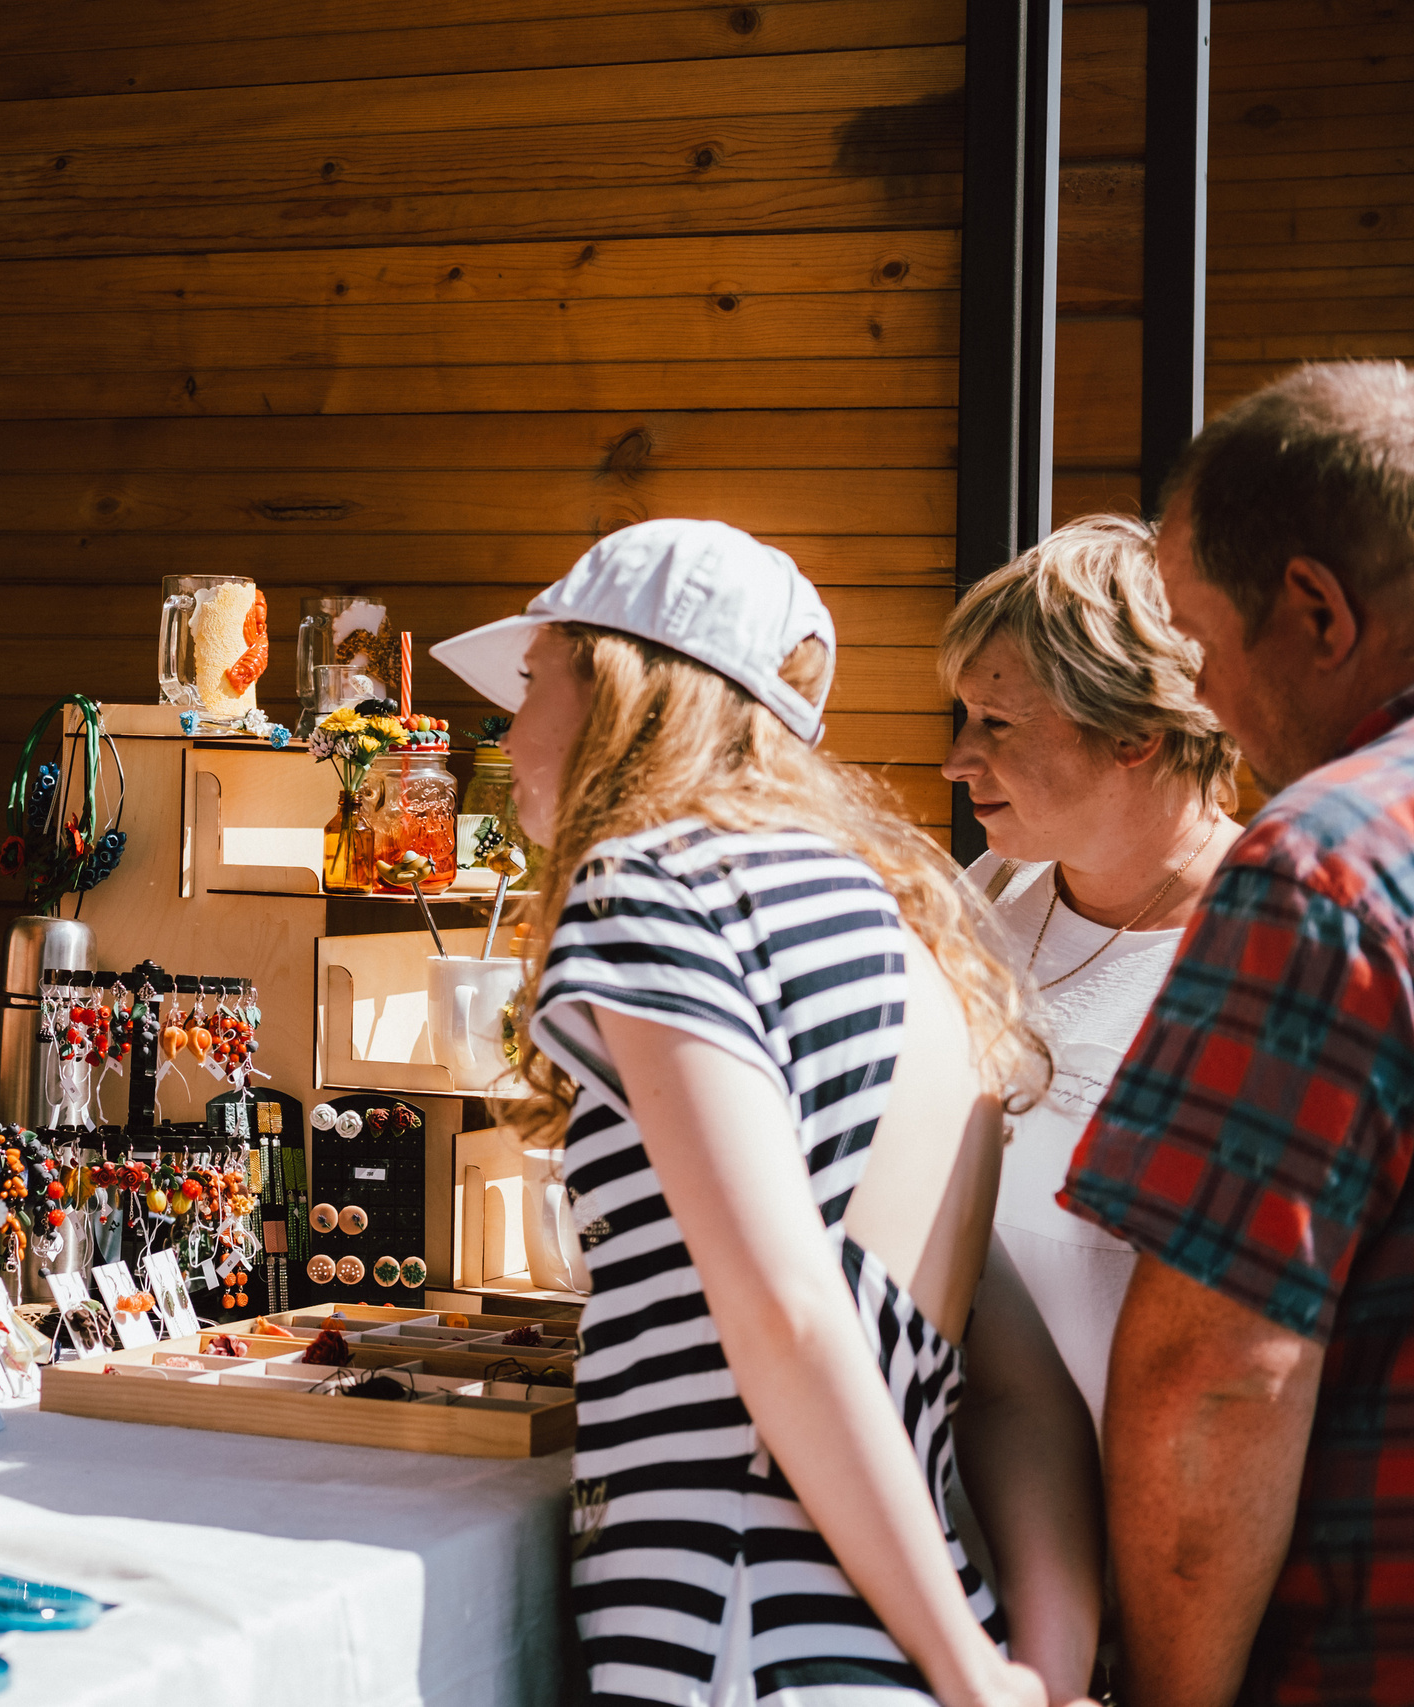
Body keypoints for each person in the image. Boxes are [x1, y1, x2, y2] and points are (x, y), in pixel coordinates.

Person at [435, 520, 1101, 1707]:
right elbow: (1016, 1388)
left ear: (613, 688)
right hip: (893, 1649)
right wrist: (1029, 1674)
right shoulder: (902, 929)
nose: (505, 730)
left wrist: (969, 1673)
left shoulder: (646, 882)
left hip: (731, 1642)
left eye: (531, 680)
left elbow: (785, 1304)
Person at [1062, 359, 1414, 1704]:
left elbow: (1217, 1372)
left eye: (1201, 646)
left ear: (1317, 610)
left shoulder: (1329, 862)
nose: (1202, 699)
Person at [936, 515, 1242, 1425]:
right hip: (957, 1500)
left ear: (1133, 730)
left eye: (996, 722)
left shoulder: (1259, 942)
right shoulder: (987, 888)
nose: (957, 760)